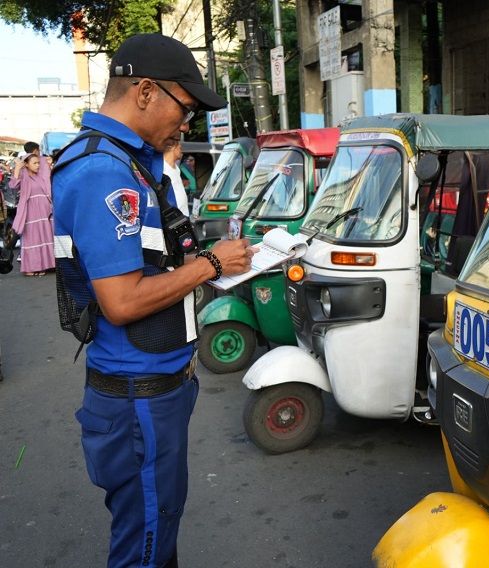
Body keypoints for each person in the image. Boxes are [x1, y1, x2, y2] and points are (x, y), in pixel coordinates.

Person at [51, 33, 252, 568]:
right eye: (184, 109)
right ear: (144, 91)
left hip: (153, 390)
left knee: (156, 536)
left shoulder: (128, 163)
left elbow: (151, 263)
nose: (186, 124)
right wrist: (210, 267)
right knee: (143, 548)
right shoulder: (104, 172)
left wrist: (199, 261)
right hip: (138, 398)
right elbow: (121, 301)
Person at [9, 153, 54, 276]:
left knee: (46, 236)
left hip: (45, 211)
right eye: (34, 163)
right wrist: (17, 168)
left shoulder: (42, 175)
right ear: (27, 165)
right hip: (31, 212)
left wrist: (48, 163)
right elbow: (12, 186)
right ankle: (30, 268)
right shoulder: (23, 177)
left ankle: (48, 265)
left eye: (38, 162)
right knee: (32, 239)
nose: (38, 165)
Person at [162, 142, 189, 215]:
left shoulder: (177, 169)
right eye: (179, 147)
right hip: (174, 217)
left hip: (183, 216)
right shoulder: (162, 169)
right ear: (172, 147)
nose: (181, 149)